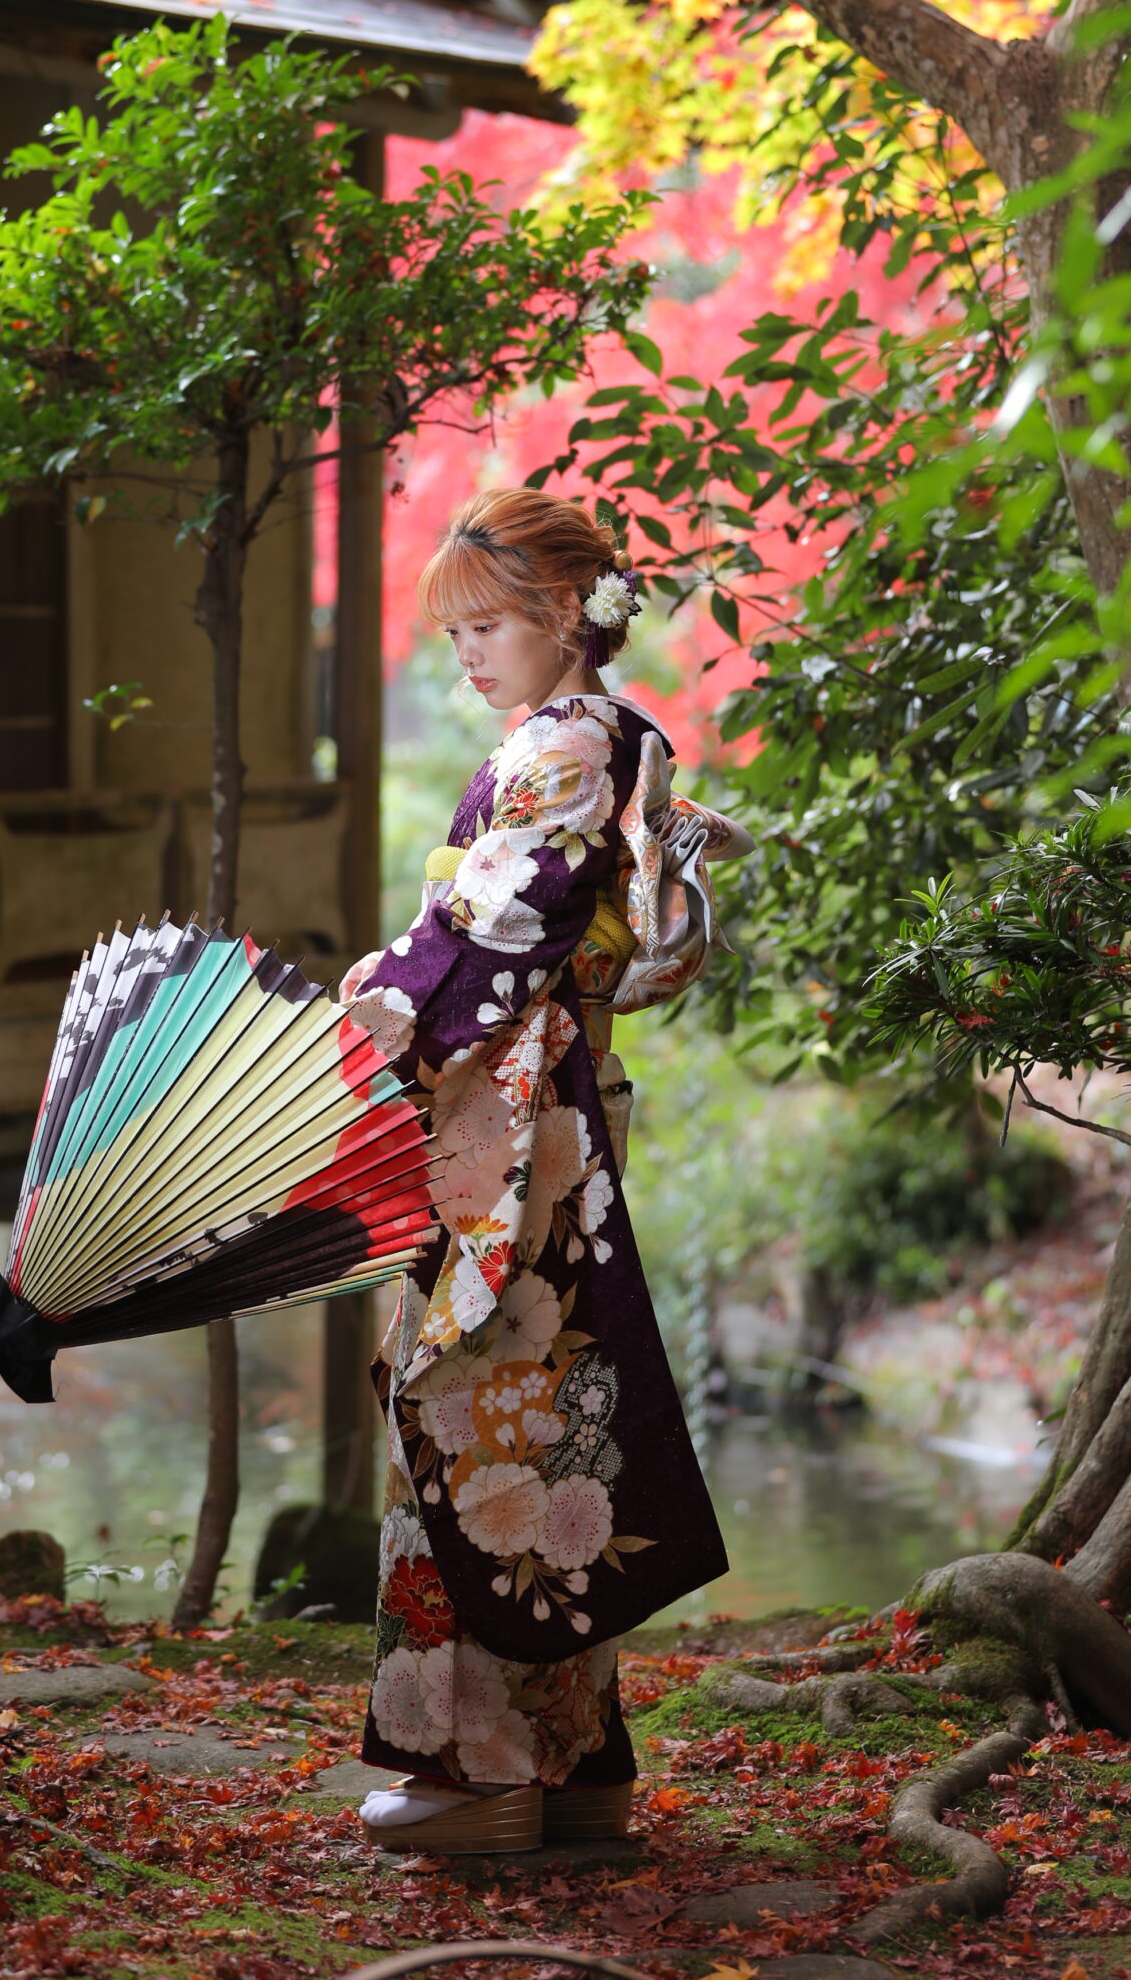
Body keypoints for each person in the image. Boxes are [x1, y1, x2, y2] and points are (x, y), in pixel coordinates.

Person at [338, 487, 750, 1856]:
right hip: (537, 1118)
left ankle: (486, 1777)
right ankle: (577, 1768)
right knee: (543, 1422)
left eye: (489, 626)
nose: (466, 653)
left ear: (568, 614)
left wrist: (370, 1011)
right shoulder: (600, 734)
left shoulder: (565, 749)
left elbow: (490, 939)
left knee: (475, 1417)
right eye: (456, 631)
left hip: (515, 1128)